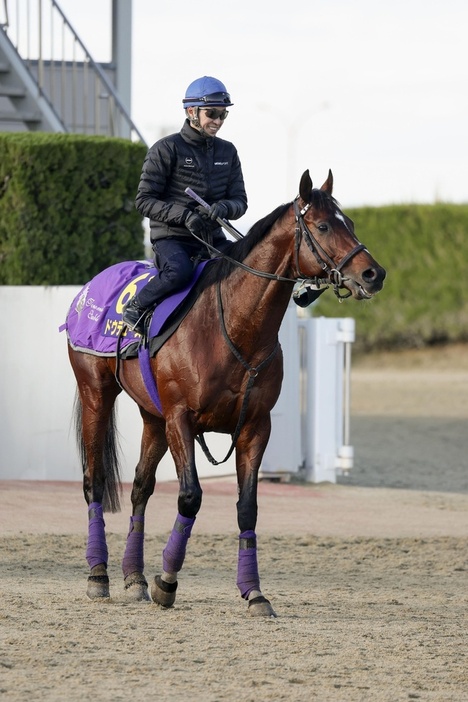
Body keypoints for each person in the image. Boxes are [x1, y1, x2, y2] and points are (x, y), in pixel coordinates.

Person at [122, 76, 248, 334]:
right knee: (179, 272)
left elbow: (240, 202)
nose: (218, 121)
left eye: (223, 115)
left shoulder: (229, 152)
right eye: (212, 113)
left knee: (246, 266)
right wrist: (184, 216)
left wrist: (223, 208)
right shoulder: (165, 149)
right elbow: (144, 201)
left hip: (211, 237)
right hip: (172, 238)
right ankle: (136, 307)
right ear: (191, 111)